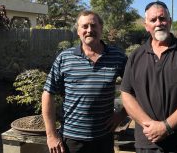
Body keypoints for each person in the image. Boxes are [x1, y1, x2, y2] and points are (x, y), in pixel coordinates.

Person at [121, 1, 177, 153]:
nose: (159, 23)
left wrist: (166, 126)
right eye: (153, 20)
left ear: (170, 21)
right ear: (146, 25)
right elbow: (126, 94)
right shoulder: (136, 56)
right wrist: (149, 125)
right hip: (148, 140)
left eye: (162, 19)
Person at [42, 10, 127, 153]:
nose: (89, 30)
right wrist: (51, 135)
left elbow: (136, 88)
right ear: (78, 31)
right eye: (85, 26)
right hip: (72, 140)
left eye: (93, 25)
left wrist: (121, 114)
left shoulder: (118, 57)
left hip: (103, 138)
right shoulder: (65, 58)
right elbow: (47, 94)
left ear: (101, 28)